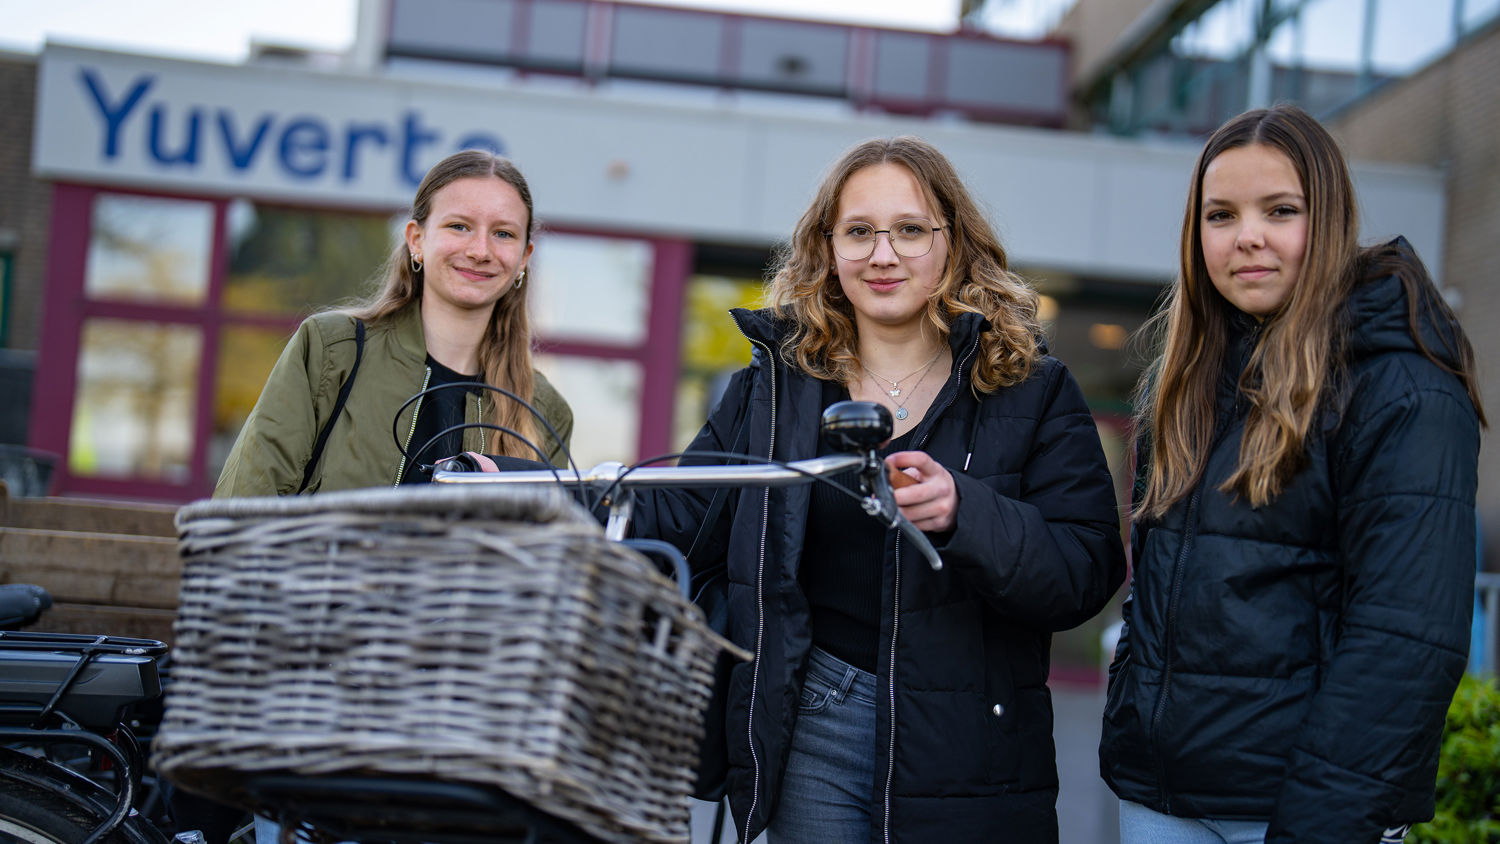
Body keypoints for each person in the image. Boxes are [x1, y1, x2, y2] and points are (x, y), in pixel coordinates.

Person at [628, 136, 1126, 842]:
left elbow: (1084, 572)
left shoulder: (1033, 387)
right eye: (859, 231)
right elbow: (682, 508)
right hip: (813, 719)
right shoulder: (776, 385)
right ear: (827, 248)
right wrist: (534, 490)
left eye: (910, 230)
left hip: (972, 738)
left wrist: (965, 512)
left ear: (952, 243)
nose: (882, 254)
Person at [1099, 104, 1485, 843]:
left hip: (1303, 813)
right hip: (1160, 802)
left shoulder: (1402, 386)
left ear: (1330, 218)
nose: (1248, 236)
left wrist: (1318, 826)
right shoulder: (1184, 385)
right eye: (1221, 215)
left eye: (1281, 210)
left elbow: (1406, 641)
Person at [216, 148, 573, 498]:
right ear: (417, 240)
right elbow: (242, 508)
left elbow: (544, 549)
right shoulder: (332, 351)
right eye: (459, 226)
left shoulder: (544, 409)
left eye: (503, 234)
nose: (480, 250)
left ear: (524, 257)